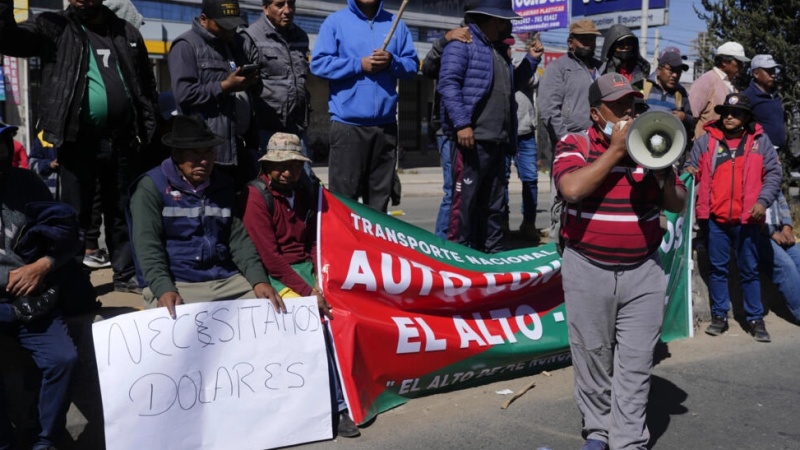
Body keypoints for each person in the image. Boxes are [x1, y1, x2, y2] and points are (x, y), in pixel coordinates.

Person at [553, 73, 687, 450]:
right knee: (592, 355)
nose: (627, 110)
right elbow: (572, 189)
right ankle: (597, 431)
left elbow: (677, 204)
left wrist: (663, 176)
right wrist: (615, 151)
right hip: (587, 268)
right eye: (617, 105)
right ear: (597, 114)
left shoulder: (652, 143)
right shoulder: (574, 143)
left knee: (636, 360)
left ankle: (628, 440)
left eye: (630, 102)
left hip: (642, 270)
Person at [0, 0, 159, 294]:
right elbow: (8, 38)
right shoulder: (55, 27)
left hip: (123, 139)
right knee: (75, 214)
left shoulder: (126, 32)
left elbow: (146, 86)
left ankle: (125, 275)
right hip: (77, 140)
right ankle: (72, 280)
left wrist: (149, 129)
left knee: (121, 210)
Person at [240, 132, 360, 438]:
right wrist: (309, 293)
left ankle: (358, 391)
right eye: (280, 165)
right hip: (277, 277)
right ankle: (339, 406)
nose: (287, 171)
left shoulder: (307, 189)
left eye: (294, 164)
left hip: (309, 271)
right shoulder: (256, 196)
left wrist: (321, 275)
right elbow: (270, 258)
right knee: (318, 326)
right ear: (266, 167)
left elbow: (314, 242)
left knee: (350, 313)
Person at [129, 114, 283, 318]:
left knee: (271, 311)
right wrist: (164, 288)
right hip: (179, 282)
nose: (203, 161)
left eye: (209, 152)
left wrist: (258, 280)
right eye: (194, 153)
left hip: (227, 280)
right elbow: (147, 246)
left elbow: (238, 239)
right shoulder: (151, 187)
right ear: (176, 154)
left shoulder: (223, 184)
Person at [0, 121, 79, 450]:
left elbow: (67, 235)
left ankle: (44, 441)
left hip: (34, 297)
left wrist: (42, 266)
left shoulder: (27, 183)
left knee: (63, 359)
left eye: (2, 150)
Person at [684, 93, 781, 342]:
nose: (728, 116)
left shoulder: (761, 142)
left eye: (735, 113)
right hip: (714, 219)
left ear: (746, 117)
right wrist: (690, 171)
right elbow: (689, 169)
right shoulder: (706, 141)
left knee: (749, 269)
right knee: (717, 269)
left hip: (748, 219)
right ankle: (719, 317)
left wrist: (762, 202)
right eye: (725, 112)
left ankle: (755, 319)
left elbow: (773, 174)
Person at [310, 0, 419, 213]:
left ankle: (374, 246)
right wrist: (358, 64)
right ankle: (344, 246)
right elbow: (319, 64)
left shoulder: (396, 24)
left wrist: (392, 61)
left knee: (379, 201)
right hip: (348, 126)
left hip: (386, 127)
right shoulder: (335, 22)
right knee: (344, 201)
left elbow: (412, 66)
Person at [438, 0, 520, 253]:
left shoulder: (499, 52)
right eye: (506, 21)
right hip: (471, 140)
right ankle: (457, 257)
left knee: (495, 206)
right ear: (494, 21)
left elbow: (507, 91)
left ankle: (491, 255)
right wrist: (462, 124)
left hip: (498, 140)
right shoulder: (462, 45)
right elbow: (448, 85)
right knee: (464, 205)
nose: (510, 27)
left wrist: (531, 63)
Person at [168, 0, 258, 190]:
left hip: (238, 146)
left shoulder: (234, 44)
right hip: (208, 150)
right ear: (204, 19)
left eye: (234, 26)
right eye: (224, 26)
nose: (230, 31)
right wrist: (225, 85)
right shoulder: (186, 46)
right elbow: (184, 94)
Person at [241, 0, 313, 166]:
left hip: (297, 128)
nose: (287, 10)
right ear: (265, 8)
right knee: (268, 182)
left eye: (291, 4)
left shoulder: (301, 36)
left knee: (303, 181)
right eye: (280, 5)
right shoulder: (250, 37)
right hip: (266, 130)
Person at [421, 18, 474, 240]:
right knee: (453, 190)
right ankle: (442, 244)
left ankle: (463, 239)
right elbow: (428, 68)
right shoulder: (453, 42)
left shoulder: (487, 46)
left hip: (476, 132)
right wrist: (444, 40)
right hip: (449, 130)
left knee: (469, 191)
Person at [537, 19, 601, 149]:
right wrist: (565, 139)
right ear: (570, 43)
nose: (588, 43)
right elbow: (548, 108)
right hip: (573, 140)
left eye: (592, 38)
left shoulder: (602, 68)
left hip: (600, 141)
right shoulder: (558, 68)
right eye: (583, 39)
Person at [504, 35, 543, 241]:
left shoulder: (522, 64)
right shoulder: (495, 66)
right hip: (502, 134)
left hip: (525, 134)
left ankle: (529, 223)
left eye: (510, 46)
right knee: (501, 182)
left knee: (530, 180)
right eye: (505, 46)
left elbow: (531, 79)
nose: (508, 49)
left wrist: (528, 62)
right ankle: (502, 223)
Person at [689, 41, 749, 139]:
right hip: (705, 148)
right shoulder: (706, 81)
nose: (741, 66)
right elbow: (691, 116)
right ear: (724, 62)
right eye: (738, 62)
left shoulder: (732, 85)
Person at [758, 192, 800, 323]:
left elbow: (782, 201)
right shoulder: (748, 176)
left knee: (798, 258)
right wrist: (772, 233)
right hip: (758, 233)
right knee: (785, 265)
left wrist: (787, 228)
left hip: (778, 229)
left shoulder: (771, 174)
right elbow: (749, 213)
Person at [743, 54, 786, 154]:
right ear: (756, 73)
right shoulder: (748, 96)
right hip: (759, 152)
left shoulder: (774, 94)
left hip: (776, 151)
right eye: (769, 71)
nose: (773, 75)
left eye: (774, 71)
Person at [598, 24, 650, 89]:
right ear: (611, 46)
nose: (626, 46)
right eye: (620, 43)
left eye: (629, 43)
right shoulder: (602, 71)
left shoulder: (642, 69)